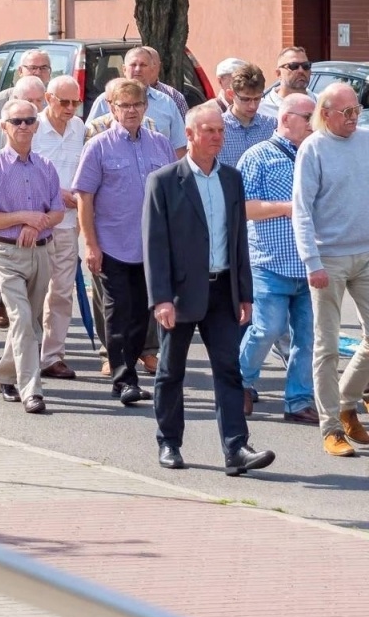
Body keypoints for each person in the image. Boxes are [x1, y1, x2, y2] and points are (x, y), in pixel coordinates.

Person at [144, 103, 275, 476]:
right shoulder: (165, 181)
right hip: (181, 294)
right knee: (171, 371)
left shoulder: (231, 179)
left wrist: (245, 294)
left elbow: (238, 242)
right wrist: (161, 299)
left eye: (221, 131)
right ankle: (169, 442)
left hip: (223, 293)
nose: (218, 137)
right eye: (210, 131)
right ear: (190, 135)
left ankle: (236, 448)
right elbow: (154, 245)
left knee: (229, 369)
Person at [75, 77, 178, 406]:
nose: (131, 111)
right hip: (112, 246)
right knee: (118, 313)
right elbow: (84, 198)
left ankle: (129, 371)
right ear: (112, 108)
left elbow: (172, 193)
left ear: (145, 107)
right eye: (124, 105)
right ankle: (124, 379)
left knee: (140, 315)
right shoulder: (99, 146)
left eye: (137, 105)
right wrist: (90, 244)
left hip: (150, 246)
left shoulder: (160, 144)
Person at [292, 82, 369, 456]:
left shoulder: (366, 141)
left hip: (366, 254)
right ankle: (331, 429)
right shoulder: (313, 149)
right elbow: (302, 211)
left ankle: (347, 402)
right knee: (326, 346)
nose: (354, 118)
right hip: (328, 260)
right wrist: (312, 262)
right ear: (326, 114)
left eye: (357, 110)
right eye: (347, 112)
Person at [0, 100, 68, 412]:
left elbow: (57, 210)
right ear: (4, 126)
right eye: (16, 121)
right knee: (20, 317)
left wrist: (39, 221)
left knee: (29, 323)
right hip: (5, 252)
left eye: (29, 121)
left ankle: (5, 375)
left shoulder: (45, 166)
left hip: (42, 252)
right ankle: (32, 390)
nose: (24, 127)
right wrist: (24, 218)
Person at [236, 92, 318, 425]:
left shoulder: (316, 155)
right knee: (266, 329)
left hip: (311, 263)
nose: (315, 124)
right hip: (270, 263)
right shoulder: (258, 156)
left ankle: (298, 400)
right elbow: (244, 208)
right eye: (309, 117)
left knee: (308, 337)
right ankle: (238, 382)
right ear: (286, 119)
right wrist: (290, 208)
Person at [33, 75, 87, 379]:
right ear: (48, 99)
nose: (69, 108)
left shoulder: (80, 127)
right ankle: (29, 350)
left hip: (67, 225)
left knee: (62, 292)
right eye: (63, 102)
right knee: (35, 291)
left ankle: (52, 356)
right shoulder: (32, 126)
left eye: (75, 102)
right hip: (36, 223)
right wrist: (55, 195)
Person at [87, 46, 188, 156]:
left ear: (152, 69)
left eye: (143, 65)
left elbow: (179, 148)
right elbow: (89, 139)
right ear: (124, 69)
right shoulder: (105, 100)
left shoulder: (167, 102)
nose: (138, 69)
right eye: (133, 65)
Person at [218, 63, 275, 168]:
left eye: (257, 98)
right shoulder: (218, 128)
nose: (252, 106)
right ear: (231, 94)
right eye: (245, 99)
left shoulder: (272, 126)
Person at [0, 50, 54, 125]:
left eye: (43, 68)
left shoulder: (56, 101)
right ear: (20, 71)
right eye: (33, 68)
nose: (38, 72)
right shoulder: (0, 101)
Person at [258, 46, 315, 120]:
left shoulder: (322, 105)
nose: (301, 71)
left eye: (306, 66)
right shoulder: (262, 109)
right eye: (294, 66)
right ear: (278, 73)